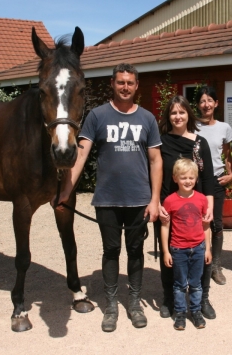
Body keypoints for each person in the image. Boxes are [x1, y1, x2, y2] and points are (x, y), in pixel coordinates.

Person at [58, 63, 163, 332]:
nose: (125, 87)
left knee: (136, 251)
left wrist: (154, 200)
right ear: (112, 84)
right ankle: (112, 305)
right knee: (111, 251)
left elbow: (155, 161)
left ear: (137, 85)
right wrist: (65, 192)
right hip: (107, 199)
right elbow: (81, 155)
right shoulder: (97, 116)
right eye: (120, 82)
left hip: (139, 199)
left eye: (130, 82)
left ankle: (136, 302)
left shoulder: (147, 119)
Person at [156, 96, 216, 319]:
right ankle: (169, 298)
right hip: (169, 206)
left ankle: (203, 299)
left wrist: (209, 207)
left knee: (202, 253)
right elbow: (154, 173)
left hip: (198, 206)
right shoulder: (161, 142)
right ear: (168, 117)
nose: (178, 117)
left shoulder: (200, 143)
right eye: (173, 113)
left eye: (182, 112)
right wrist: (157, 203)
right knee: (171, 253)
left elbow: (208, 178)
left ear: (189, 114)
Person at [161, 158, 212, 330]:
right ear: (175, 178)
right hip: (178, 249)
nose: (188, 181)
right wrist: (166, 251)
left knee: (196, 284)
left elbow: (206, 226)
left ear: (196, 179)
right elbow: (165, 226)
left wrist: (207, 249)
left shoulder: (202, 199)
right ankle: (180, 313)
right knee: (180, 284)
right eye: (183, 177)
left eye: (191, 177)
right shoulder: (169, 201)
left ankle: (196, 312)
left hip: (198, 248)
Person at [195, 85, 232, 285]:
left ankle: (215, 266)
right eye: (202, 101)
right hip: (195, 182)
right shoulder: (191, 126)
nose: (206, 104)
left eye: (210, 100)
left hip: (217, 181)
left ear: (216, 103)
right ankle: (198, 263)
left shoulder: (224, 128)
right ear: (198, 105)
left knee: (216, 224)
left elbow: (227, 155)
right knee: (197, 224)